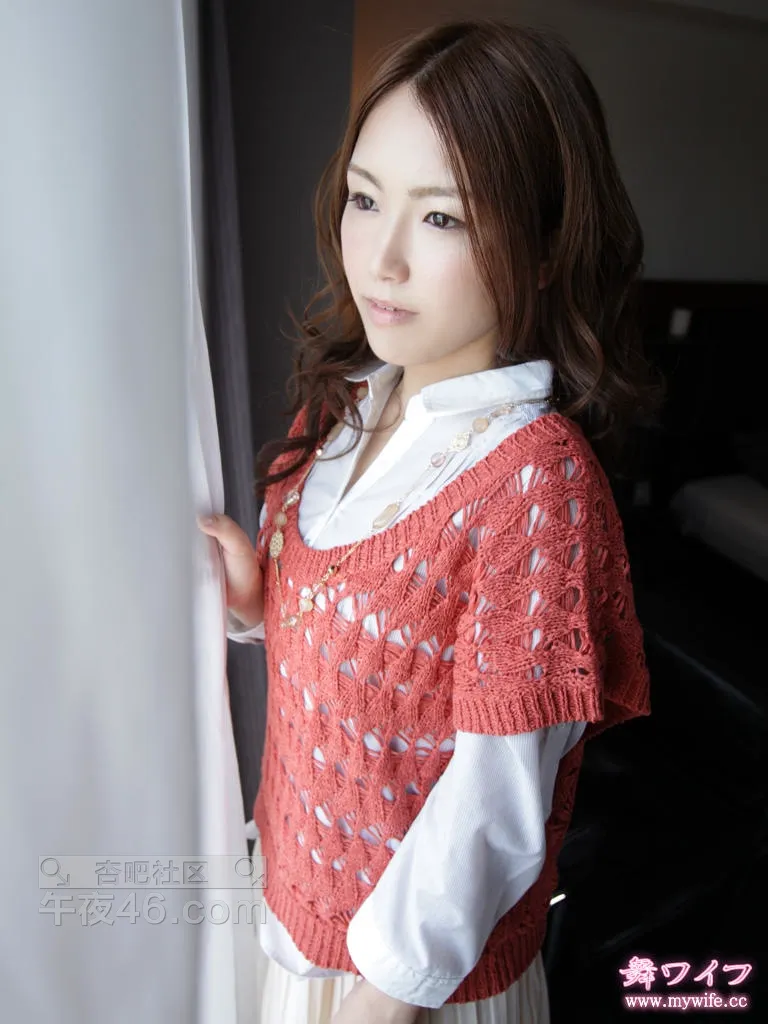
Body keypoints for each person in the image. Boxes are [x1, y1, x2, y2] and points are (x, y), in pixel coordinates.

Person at [197, 18, 658, 1024]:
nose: (382, 258)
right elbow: (384, 664)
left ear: (545, 248)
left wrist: (385, 999)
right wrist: (258, 603)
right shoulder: (344, 406)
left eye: (442, 218)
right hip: (286, 918)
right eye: (366, 199)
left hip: (411, 991)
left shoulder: (532, 484)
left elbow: (495, 803)